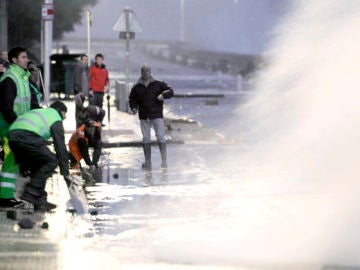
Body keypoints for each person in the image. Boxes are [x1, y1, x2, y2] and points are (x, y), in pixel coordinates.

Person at [7, 100, 73, 211]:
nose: (65, 117)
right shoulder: (55, 117)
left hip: (12, 136)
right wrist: (65, 172)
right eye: (65, 114)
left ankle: (39, 200)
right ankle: (31, 192)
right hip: (27, 136)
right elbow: (60, 147)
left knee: (40, 164)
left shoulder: (42, 112)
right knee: (51, 160)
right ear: (61, 112)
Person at [0, 46, 39, 207]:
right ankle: (4, 198)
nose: (26, 59)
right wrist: (17, 125)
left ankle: (7, 196)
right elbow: (6, 107)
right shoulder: (10, 78)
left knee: (13, 161)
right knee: (11, 160)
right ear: (14, 60)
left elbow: (28, 104)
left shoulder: (22, 77)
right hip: (8, 127)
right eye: (23, 57)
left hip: (17, 127)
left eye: (26, 57)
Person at [128, 64, 174, 169]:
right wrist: (133, 107)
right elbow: (132, 99)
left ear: (150, 72)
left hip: (157, 114)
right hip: (144, 116)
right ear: (141, 72)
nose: (145, 73)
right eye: (143, 71)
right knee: (146, 138)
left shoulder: (158, 84)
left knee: (160, 136)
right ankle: (148, 162)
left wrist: (163, 95)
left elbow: (170, 90)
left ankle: (164, 161)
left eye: (147, 70)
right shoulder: (136, 87)